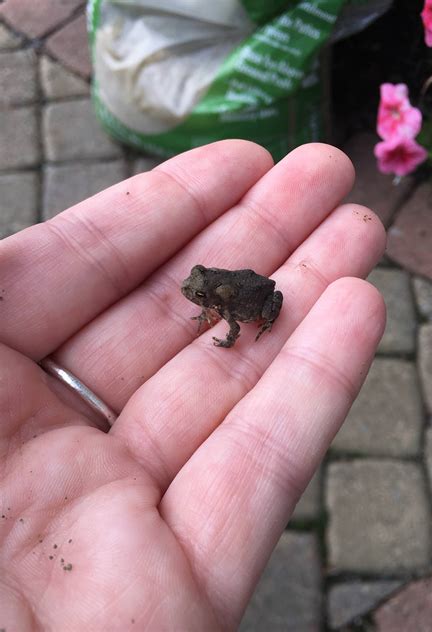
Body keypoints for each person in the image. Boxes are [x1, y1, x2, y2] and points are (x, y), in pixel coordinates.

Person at [0, 140, 385, 630]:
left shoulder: (226, 305)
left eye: (196, 293)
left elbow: (233, 321)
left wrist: (241, 334)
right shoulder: (213, 294)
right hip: (240, 285)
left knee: (265, 304)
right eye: (194, 289)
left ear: (210, 296)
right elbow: (213, 301)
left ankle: (265, 320)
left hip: (258, 295)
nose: (190, 293)